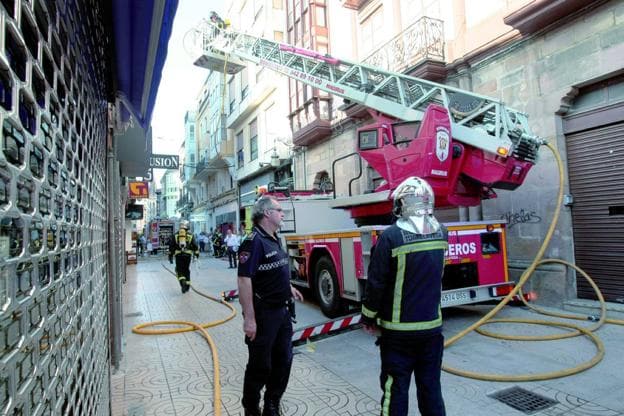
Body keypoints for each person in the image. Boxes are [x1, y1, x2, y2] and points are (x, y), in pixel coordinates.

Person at [361, 177, 449, 416]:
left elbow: (376, 283)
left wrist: (368, 317)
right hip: (432, 329)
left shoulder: (390, 237)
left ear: (401, 204)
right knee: (431, 389)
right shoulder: (442, 232)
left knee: (395, 389)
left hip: (398, 333)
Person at [237, 196, 303, 416]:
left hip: (282, 312)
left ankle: (272, 403)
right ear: (267, 213)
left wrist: (289, 287)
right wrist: (249, 318)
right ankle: (251, 407)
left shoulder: (275, 238)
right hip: (263, 313)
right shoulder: (253, 241)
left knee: (284, 359)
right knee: (260, 364)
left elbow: (276, 269)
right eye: (279, 210)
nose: (283, 213)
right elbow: (245, 280)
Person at [168, 221, 200, 293]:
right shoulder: (190, 235)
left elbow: (171, 247)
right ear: (186, 227)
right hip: (187, 255)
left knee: (179, 270)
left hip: (178, 255)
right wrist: (196, 255)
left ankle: (183, 282)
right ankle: (187, 287)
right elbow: (195, 246)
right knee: (186, 270)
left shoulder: (175, 235)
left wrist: (170, 256)